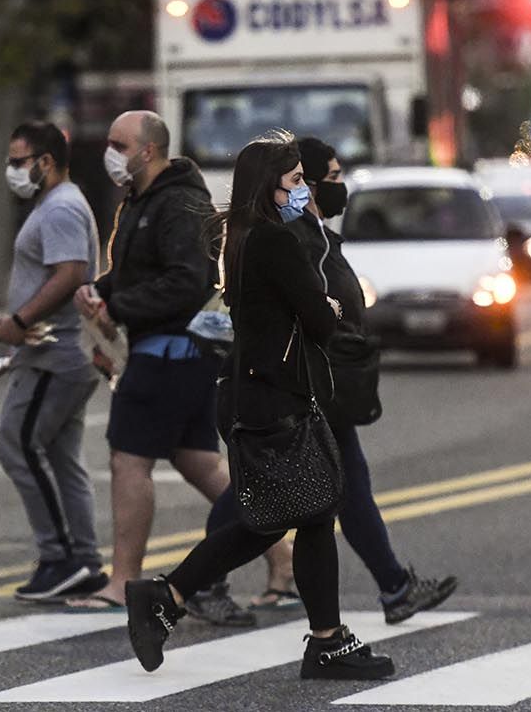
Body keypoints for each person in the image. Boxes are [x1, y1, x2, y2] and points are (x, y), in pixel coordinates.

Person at [123, 132, 394, 680]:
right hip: (274, 398)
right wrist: (334, 305)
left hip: (259, 394)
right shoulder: (275, 242)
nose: (302, 192)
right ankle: (174, 596)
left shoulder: (242, 237)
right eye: (295, 182)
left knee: (287, 516)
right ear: (270, 188)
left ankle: (318, 637)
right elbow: (319, 319)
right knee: (298, 514)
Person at [69, 111, 292, 622]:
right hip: (176, 353)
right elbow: (139, 272)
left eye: (118, 144)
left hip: (168, 353)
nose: (110, 153)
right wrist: (101, 290)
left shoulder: (179, 203)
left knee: (129, 460)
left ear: (148, 150)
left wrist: (118, 308)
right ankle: (284, 558)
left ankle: (124, 579)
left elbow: (187, 282)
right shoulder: (144, 200)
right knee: (197, 461)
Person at [276, 137, 457, 622]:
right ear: (305, 184)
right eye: (332, 177)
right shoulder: (295, 237)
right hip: (307, 386)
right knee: (263, 498)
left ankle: (395, 587)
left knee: (347, 489)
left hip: (327, 386)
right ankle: (180, 589)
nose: (341, 186)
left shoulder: (315, 232)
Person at [0, 121, 107, 601]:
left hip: (55, 352)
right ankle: (83, 560)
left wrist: (20, 320)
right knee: (62, 457)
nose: (12, 171)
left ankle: (59, 558)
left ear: (45, 162)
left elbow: (69, 275)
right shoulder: (56, 204)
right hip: (59, 350)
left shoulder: (60, 207)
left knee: (17, 446)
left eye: (19, 161)